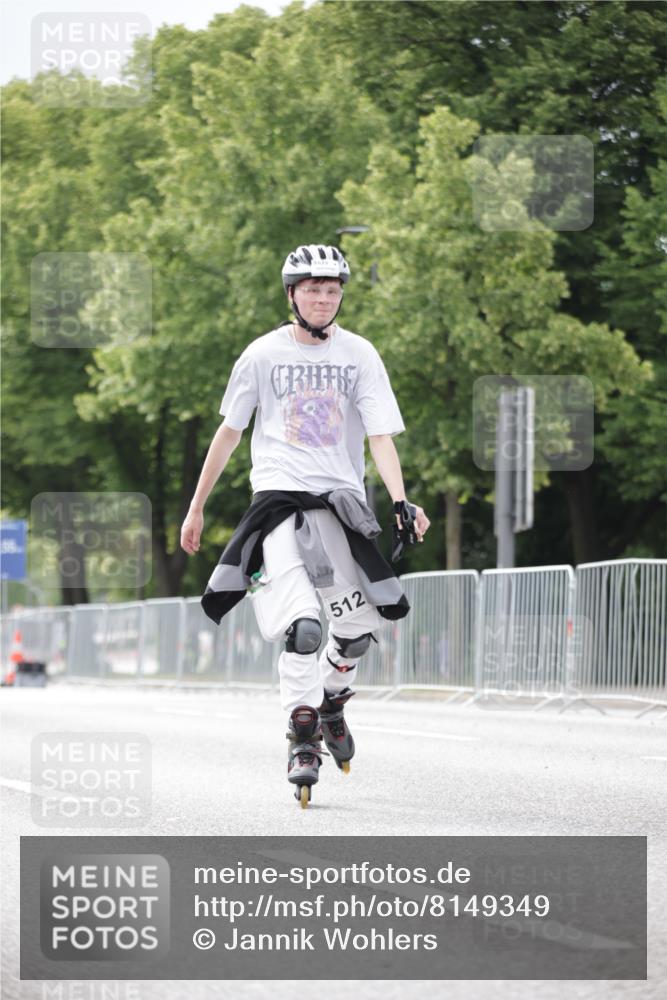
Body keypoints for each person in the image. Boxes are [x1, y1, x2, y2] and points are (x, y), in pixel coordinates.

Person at [181, 244, 430, 807]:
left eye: (333, 290)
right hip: (277, 507)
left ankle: (333, 701)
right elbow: (229, 433)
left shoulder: (359, 353)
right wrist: (197, 506)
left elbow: (380, 435)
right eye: (313, 289)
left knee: (357, 633)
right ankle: (302, 737)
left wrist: (400, 500)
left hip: (339, 504)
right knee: (303, 631)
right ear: (292, 294)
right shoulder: (261, 356)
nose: (323, 298)